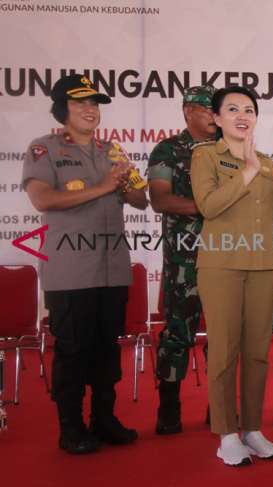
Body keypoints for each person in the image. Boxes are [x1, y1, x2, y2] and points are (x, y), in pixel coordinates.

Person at [21, 74, 148, 455]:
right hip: (71, 270)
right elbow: (42, 199)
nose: (91, 110)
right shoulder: (44, 149)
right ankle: (71, 427)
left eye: (95, 104)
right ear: (63, 110)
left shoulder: (114, 152)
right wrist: (106, 187)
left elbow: (141, 200)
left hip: (112, 268)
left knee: (108, 349)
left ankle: (104, 419)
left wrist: (126, 185)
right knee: (73, 351)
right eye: (81, 104)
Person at [191, 86, 273, 466]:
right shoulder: (207, 156)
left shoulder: (268, 163)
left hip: (262, 266)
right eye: (232, 109)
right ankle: (226, 434)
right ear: (217, 118)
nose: (242, 115)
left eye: (249, 109)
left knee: (258, 355)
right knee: (224, 353)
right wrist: (246, 172)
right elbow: (208, 206)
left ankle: (253, 429)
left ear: (256, 119)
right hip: (220, 265)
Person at [147, 86, 216, 435]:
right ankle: (169, 409)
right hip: (185, 259)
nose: (216, 117)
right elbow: (160, 200)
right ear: (189, 111)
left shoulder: (228, 149)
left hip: (227, 256)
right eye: (208, 110)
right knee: (178, 333)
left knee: (222, 336)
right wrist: (209, 206)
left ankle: (217, 408)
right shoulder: (168, 150)